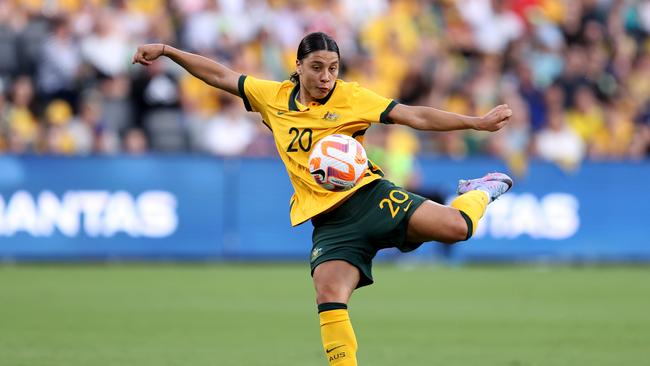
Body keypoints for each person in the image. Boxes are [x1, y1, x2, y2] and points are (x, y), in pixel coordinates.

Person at [132, 32, 513, 366]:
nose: (326, 77)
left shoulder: (352, 98)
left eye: (333, 68)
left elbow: (415, 116)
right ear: (297, 66)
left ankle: (479, 189)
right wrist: (167, 50)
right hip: (330, 223)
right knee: (329, 293)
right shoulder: (273, 97)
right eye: (316, 67)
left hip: (369, 197)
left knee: (458, 228)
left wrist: (475, 123)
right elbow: (220, 76)